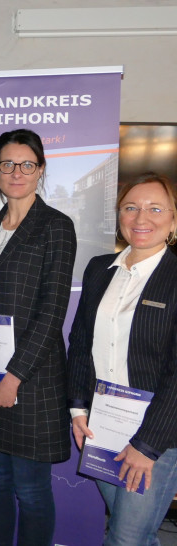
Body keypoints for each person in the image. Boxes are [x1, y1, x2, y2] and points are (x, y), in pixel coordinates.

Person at [0, 128, 77, 546]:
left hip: (30, 380)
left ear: (40, 170)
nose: (17, 172)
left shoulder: (56, 227)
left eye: (27, 164)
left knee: (30, 489)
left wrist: (14, 377)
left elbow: (52, 311)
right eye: (7, 164)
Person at [68, 173, 177, 545]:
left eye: (155, 208)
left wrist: (147, 447)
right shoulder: (100, 269)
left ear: (174, 220)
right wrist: (78, 411)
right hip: (102, 425)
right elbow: (81, 343)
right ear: (119, 217)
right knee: (134, 533)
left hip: (156, 436)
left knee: (125, 538)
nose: (141, 217)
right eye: (131, 207)